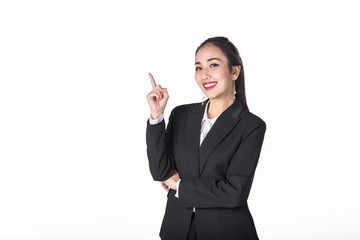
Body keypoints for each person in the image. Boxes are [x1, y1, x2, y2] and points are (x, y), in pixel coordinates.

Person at [146, 36, 267, 240]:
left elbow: (234, 192)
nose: (205, 75)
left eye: (213, 65)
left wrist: (180, 185)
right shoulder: (181, 115)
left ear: (234, 71)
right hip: (177, 230)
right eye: (199, 68)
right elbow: (160, 172)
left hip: (225, 232)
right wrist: (157, 116)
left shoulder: (251, 126)